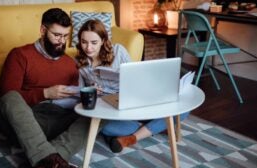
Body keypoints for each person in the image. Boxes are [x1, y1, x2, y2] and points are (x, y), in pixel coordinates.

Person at [75, 19, 189, 153]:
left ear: (103, 40)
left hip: (132, 98)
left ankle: (132, 137)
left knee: (182, 108)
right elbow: (79, 94)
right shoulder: (80, 63)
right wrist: (92, 92)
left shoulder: (118, 51)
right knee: (103, 126)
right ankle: (155, 126)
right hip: (109, 107)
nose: (88, 48)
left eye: (94, 42)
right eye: (84, 42)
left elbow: (136, 76)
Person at [0, 8, 90, 168]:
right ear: (42, 30)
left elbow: (75, 97)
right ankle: (52, 158)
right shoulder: (20, 55)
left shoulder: (69, 63)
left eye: (66, 36)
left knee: (96, 113)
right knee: (10, 97)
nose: (62, 41)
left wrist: (87, 95)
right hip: (27, 118)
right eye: (57, 35)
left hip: (57, 118)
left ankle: (48, 160)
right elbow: (7, 97)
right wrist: (45, 93)